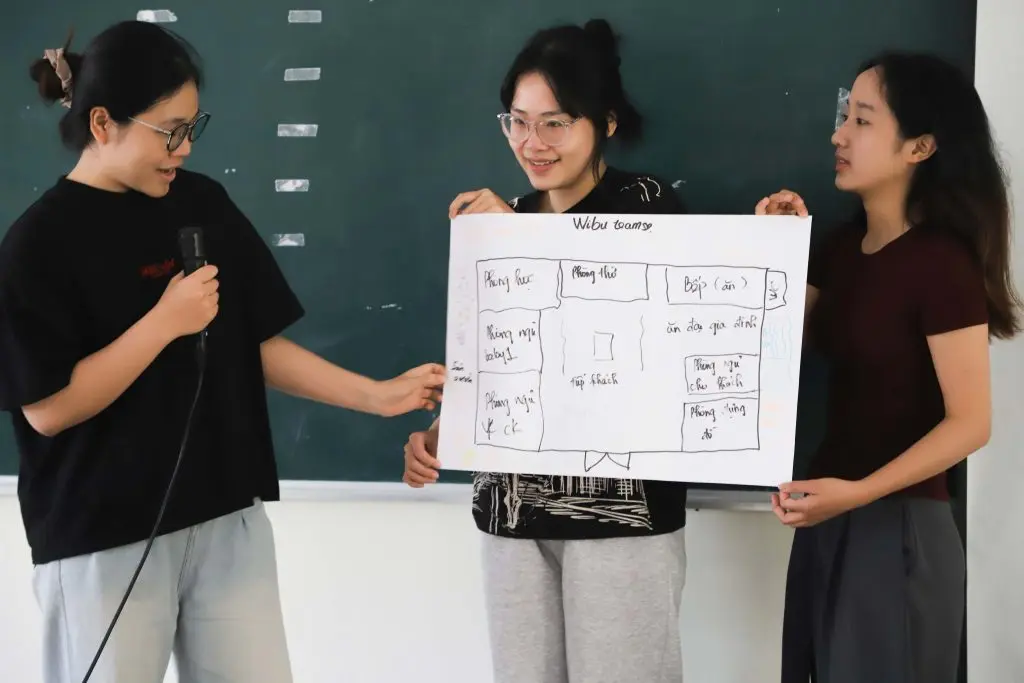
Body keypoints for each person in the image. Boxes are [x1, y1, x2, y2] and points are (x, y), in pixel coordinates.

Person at [0, 21, 444, 683]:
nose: (182, 148)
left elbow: (252, 342)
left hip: (225, 512)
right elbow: (47, 409)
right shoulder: (39, 245)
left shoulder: (201, 203)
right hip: (102, 535)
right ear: (102, 123)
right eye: (168, 131)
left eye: (191, 128)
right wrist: (163, 323)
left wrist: (377, 397)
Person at [404, 19, 690, 683]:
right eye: (518, 121)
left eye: (555, 123)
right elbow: (502, 362)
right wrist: (447, 430)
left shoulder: (647, 205)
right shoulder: (501, 221)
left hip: (621, 511)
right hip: (512, 506)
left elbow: (633, 339)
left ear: (605, 123)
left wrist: (517, 238)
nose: (532, 143)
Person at [756, 51, 1021, 683]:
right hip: (828, 513)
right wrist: (778, 250)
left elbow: (971, 423)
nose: (838, 135)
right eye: (845, 115)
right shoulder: (841, 249)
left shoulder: (941, 265)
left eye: (862, 120)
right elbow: (771, 353)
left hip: (898, 526)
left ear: (920, 147)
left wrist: (859, 492)